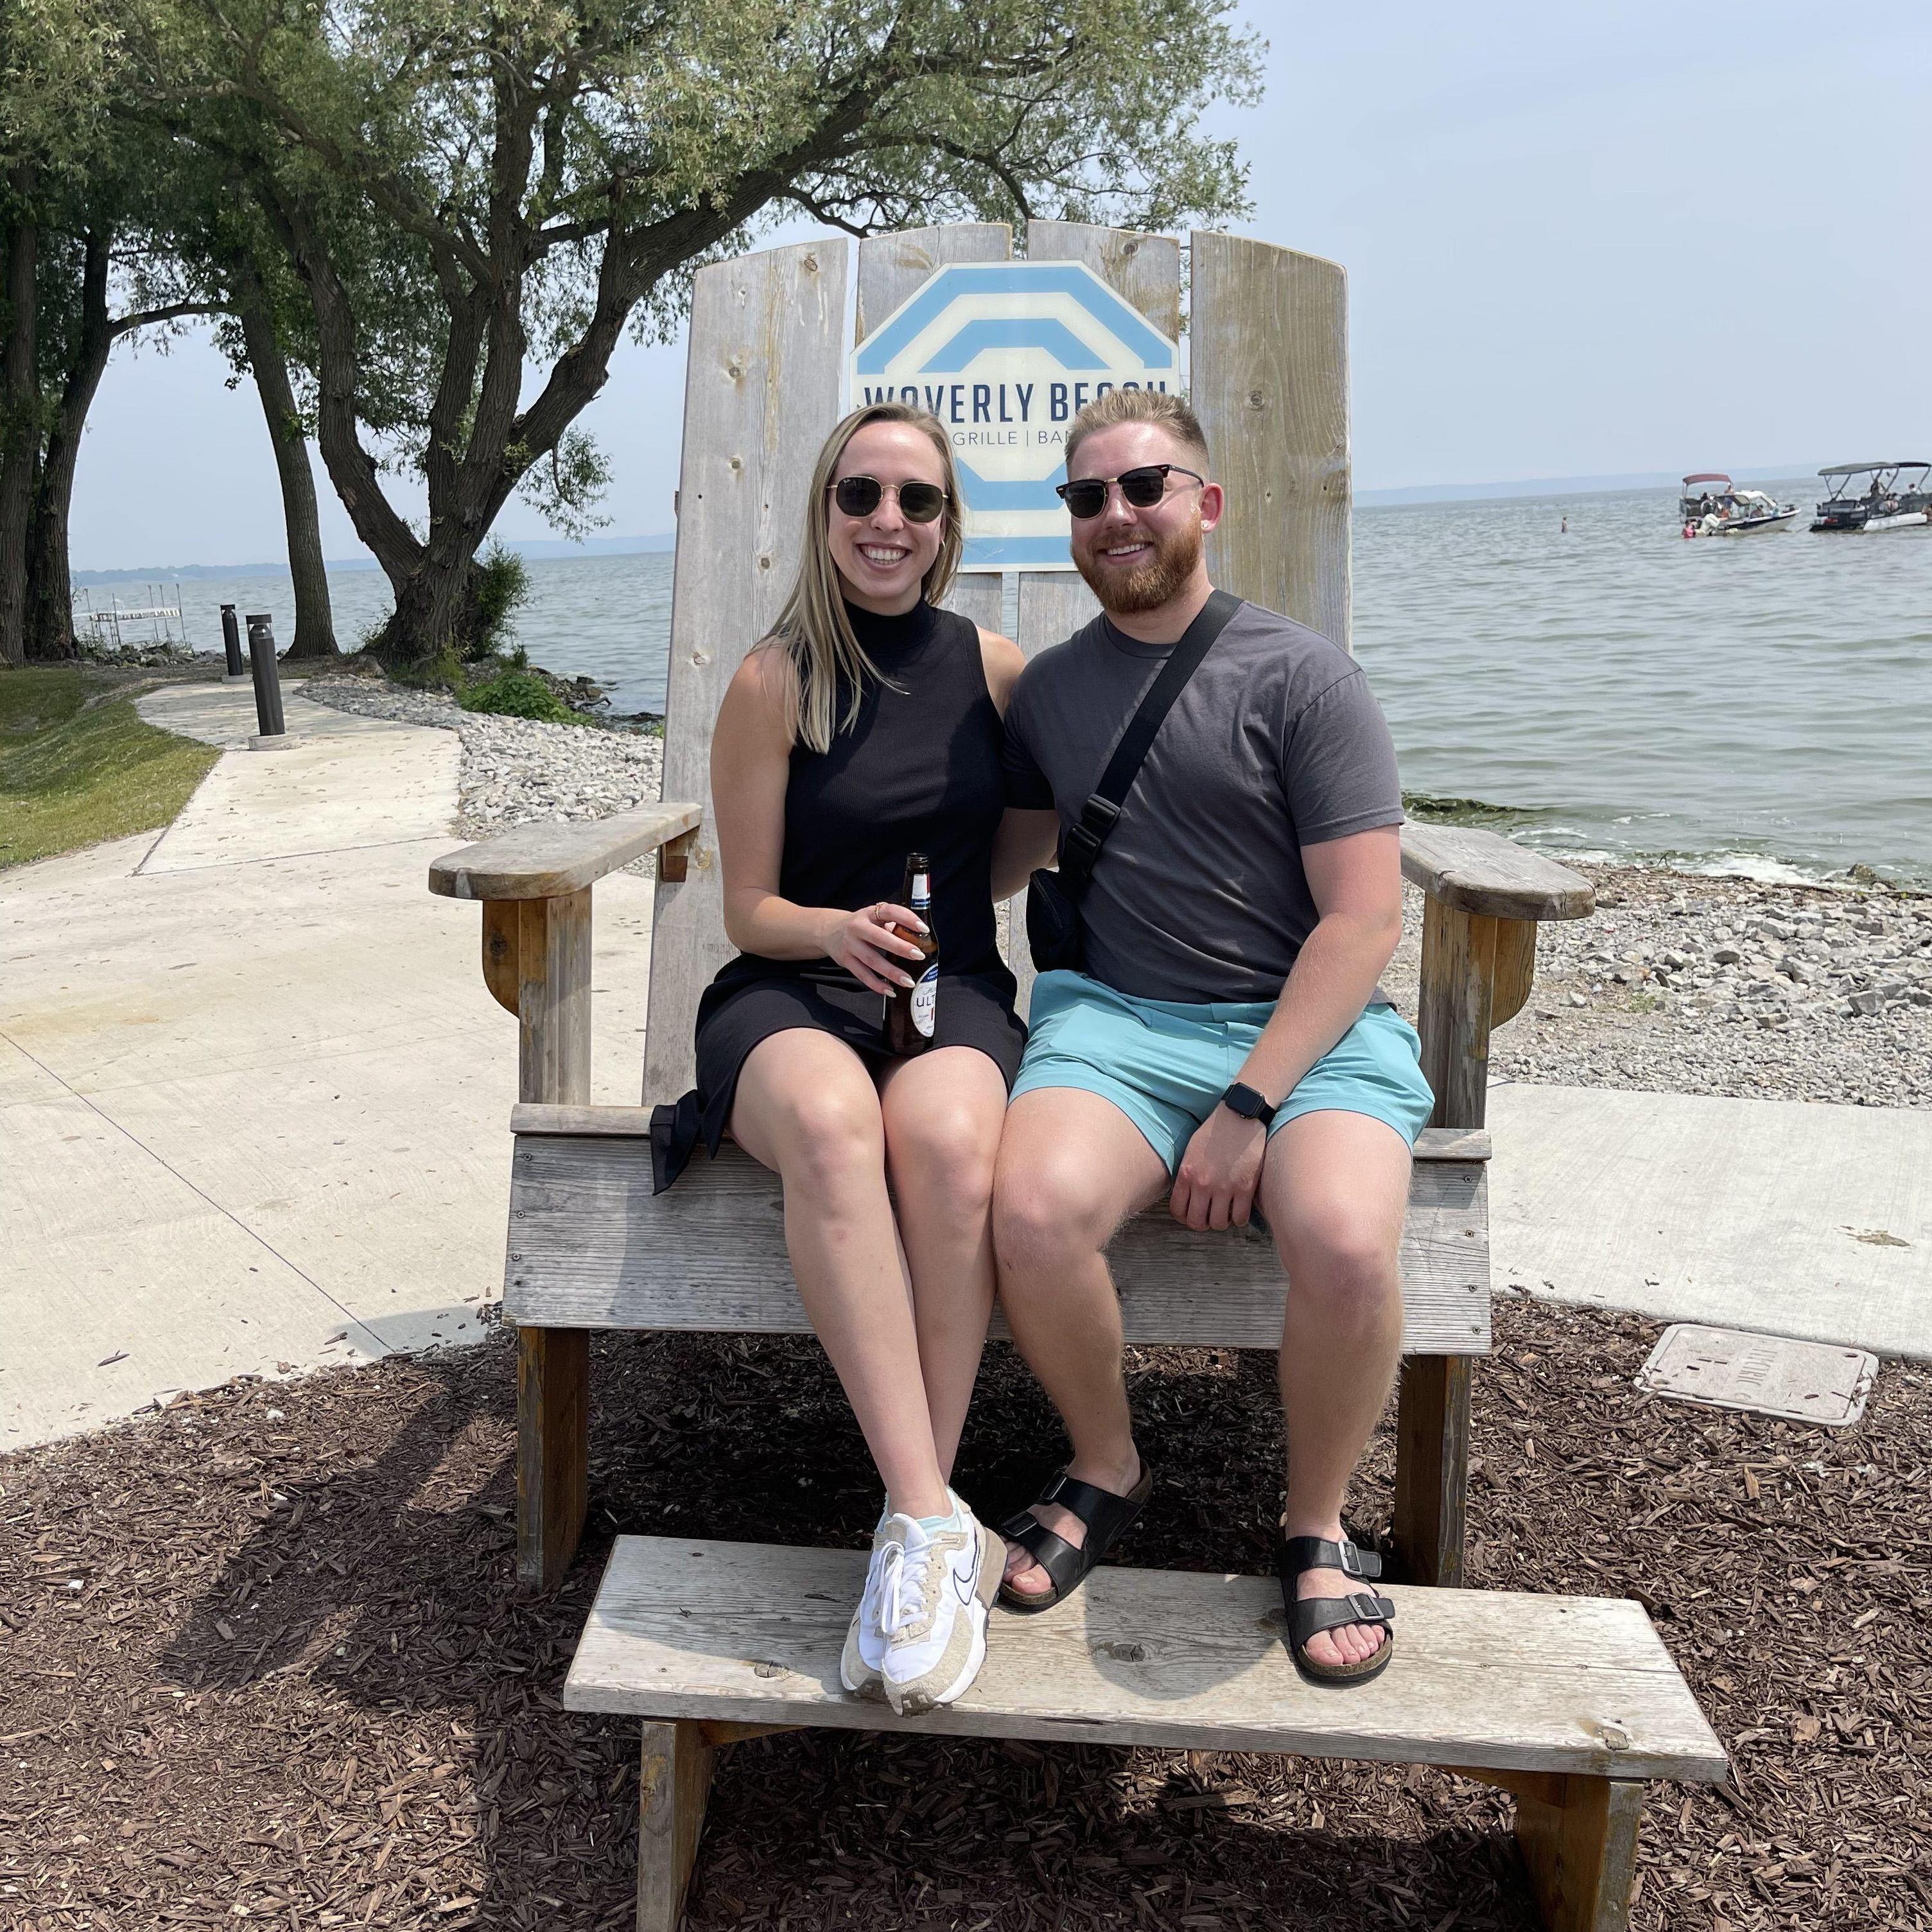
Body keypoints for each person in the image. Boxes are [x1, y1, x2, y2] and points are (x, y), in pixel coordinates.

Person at [989, 387, 1434, 1686]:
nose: (1116, 516)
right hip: (1117, 1024)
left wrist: (1248, 1102)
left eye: (1144, 487)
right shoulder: (1050, 693)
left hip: (1309, 1028)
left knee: (1344, 1237)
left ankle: (1312, 1523)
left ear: (1205, 502)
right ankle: (1104, 1460)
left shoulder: (1304, 678)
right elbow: (1002, 858)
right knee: (1028, 1207)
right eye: (1087, 497)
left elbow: (1359, 920)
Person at [677, 401, 1055, 1714]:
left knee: (948, 1139)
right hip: (788, 989)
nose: (886, 521)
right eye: (860, 496)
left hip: (943, 991)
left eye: (916, 500)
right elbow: (746, 907)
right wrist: (834, 929)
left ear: (948, 528)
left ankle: (917, 1532)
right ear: (823, 515)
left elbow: (1016, 846)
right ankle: (931, 1518)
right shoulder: (772, 678)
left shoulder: (993, 667)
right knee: (838, 1126)